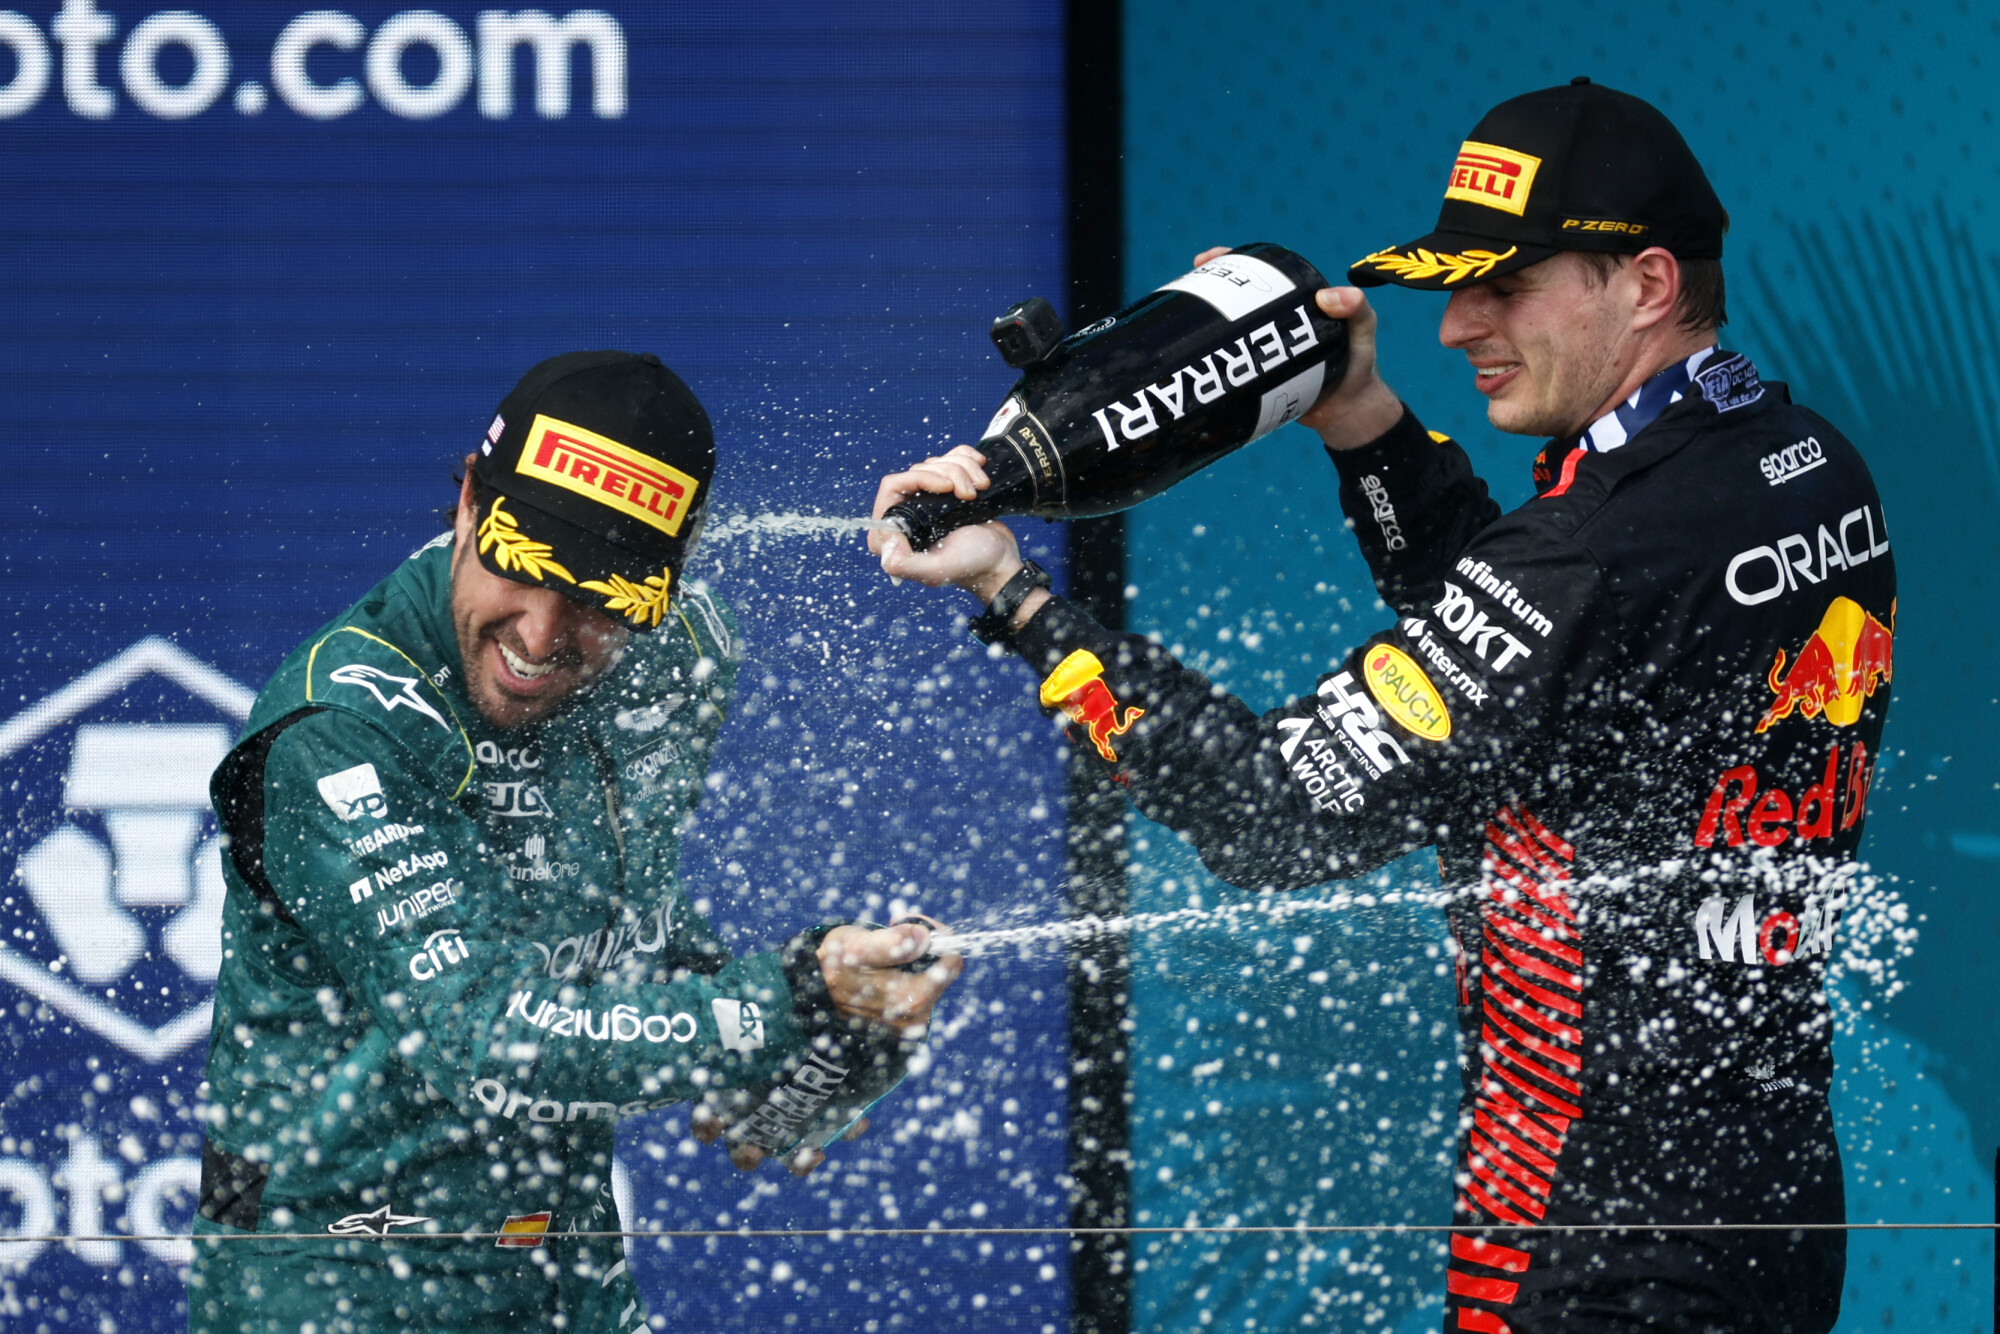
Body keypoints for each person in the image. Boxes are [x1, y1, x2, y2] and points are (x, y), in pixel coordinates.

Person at [872, 80, 1893, 1333]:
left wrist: (1020, 600)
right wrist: (1358, 417)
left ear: (1644, 282)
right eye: (1454, 284)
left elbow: (1268, 816)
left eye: (1503, 285)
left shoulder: (1594, 550)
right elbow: (1533, 653)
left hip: (1585, 1240)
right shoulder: (1794, 464)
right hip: (1766, 1200)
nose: (1458, 323)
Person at [190, 350, 961, 1333]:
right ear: (469, 500)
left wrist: (838, 1030)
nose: (542, 634)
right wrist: (784, 996)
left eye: (602, 598)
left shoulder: (682, 657)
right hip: (329, 1293)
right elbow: (477, 1033)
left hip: (568, 1275)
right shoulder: (338, 727)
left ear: (666, 586)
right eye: (522, 563)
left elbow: (615, 938)